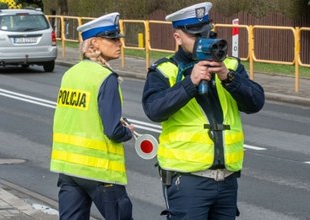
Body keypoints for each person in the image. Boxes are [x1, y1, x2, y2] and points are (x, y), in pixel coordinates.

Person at [142, 2, 265, 220]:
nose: (203, 40)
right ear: (177, 37)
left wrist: (229, 77)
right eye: (196, 35)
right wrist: (190, 83)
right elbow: (154, 110)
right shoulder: (165, 70)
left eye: (207, 33)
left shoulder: (230, 66)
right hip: (187, 180)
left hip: (226, 180)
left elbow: (255, 102)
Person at [50, 12, 135, 220]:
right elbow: (113, 130)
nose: (119, 43)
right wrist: (128, 132)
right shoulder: (106, 77)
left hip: (69, 169)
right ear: (95, 43)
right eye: (113, 39)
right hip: (99, 172)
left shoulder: (71, 73)